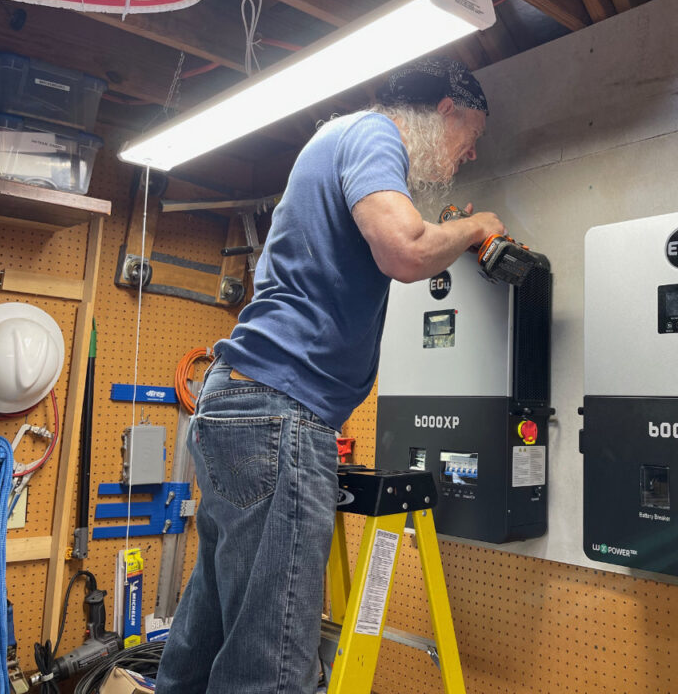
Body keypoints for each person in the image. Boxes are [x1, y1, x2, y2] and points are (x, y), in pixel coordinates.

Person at [155, 57, 504, 694]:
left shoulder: (335, 138)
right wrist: (476, 225)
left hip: (237, 404)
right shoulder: (374, 134)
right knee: (271, 665)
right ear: (445, 110)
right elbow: (405, 250)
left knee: (207, 636)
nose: (471, 153)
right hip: (278, 413)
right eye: (471, 135)